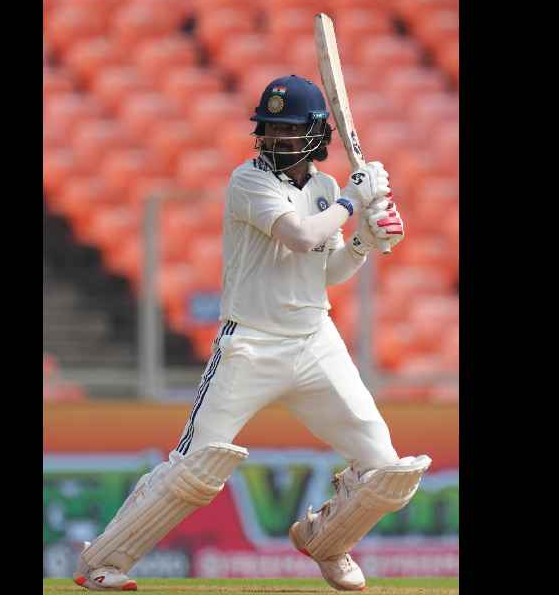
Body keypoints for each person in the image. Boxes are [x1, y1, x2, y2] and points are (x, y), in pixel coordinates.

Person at [73, 75, 431, 592]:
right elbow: (299, 232)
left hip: (314, 341)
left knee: (384, 468)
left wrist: (363, 243)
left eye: (288, 131)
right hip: (251, 344)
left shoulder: (325, 190)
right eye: (269, 130)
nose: (275, 141)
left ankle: (325, 541)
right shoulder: (250, 181)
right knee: (195, 469)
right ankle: (102, 562)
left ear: (314, 135)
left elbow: (326, 269)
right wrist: (354, 205)